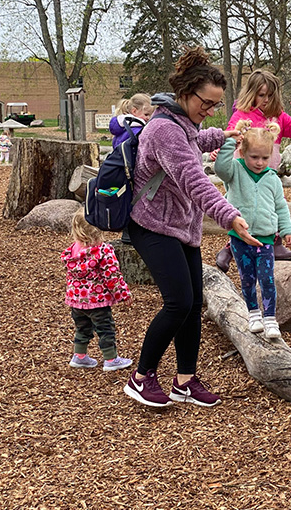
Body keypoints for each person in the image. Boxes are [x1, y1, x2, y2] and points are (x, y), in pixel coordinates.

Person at [122, 47, 261, 409]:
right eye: (207, 102)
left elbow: (195, 140)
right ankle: (141, 377)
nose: (210, 109)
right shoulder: (164, 130)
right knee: (178, 302)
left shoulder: (182, 124)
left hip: (181, 226)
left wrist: (225, 134)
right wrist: (229, 215)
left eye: (216, 105)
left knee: (194, 302)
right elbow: (193, 180)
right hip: (152, 225)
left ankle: (185, 380)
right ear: (186, 92)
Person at [214, 69, 291, 267]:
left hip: (268, 170)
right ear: (251, 93)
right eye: (261, 95)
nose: (266, 99)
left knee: (271, 204)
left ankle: (274, 242)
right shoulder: (243, 114)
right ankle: (230, 247)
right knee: (245, 207)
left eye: (269, 95)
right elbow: (231, 133)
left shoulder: (279, 116)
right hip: (244, 170)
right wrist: (219, 150)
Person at [214, 119, 291, 340]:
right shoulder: (235, 171)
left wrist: (287, 229)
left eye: (265, 158)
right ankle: (253, 314)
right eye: (254, 157)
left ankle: (270, 318)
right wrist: (230, 142)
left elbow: (280, 206)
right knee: (247, 278)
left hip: (265, 239)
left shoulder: (272, 179)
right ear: (242, 153)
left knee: (267, 279)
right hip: (240, 238)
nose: (260, 162)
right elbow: (220, 168)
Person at [63, 208, 133, 371]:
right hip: (97, 301)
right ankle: (110, 359)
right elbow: (112, 275)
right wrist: (123, 294)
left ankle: (79, 356)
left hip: (76, 301)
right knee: (105, 329)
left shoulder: (74, 250)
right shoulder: (103, 250)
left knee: (82, 328)